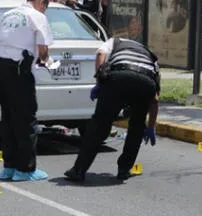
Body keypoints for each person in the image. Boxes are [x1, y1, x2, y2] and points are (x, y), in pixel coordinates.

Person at [64, 37, 160, 183]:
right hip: (146, 82)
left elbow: (100, 54)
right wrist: (150, 127)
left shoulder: (115, 41)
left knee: (99, 124)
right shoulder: (150, 56)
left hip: (119, 77)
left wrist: (99, 81)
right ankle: (123, 170)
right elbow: (155, 99)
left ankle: (79, 170)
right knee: (137, 126)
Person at [0, 0, 53, 182]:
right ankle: (25, 170)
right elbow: (43, 49)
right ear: (41, 1)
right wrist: (48, 62)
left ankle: (8, 167)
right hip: (19, 69)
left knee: (8, 118)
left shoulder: (7, 14)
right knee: (26, 119)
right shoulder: (37, 16)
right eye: (47, 5)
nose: (46, 10)